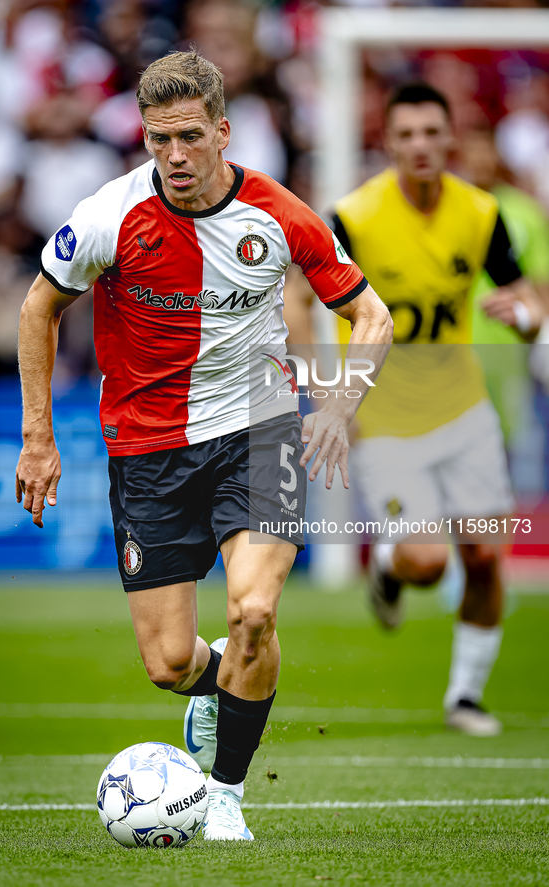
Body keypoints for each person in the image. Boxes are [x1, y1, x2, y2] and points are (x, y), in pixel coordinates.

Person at [15, 51, 392, 840]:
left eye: (189, 137)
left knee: (255, 610)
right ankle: (230, 679)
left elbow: (372, 317)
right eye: (158, 140)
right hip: (147, 449)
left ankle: (224, 795)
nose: (175, 157)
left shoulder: (279, 214)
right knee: (170, 664)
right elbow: (36, 310)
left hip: (259, 431)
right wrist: (38, 438)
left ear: (222, 131)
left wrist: (335, 403)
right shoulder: (108, 215)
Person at [284, 82, 544, 738]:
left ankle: (464, 695)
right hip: (383, 418)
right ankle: (388, 572)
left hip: (462, 408)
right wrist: (324, 392)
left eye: (431, 132)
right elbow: (295, 299)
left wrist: (524, 317)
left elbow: (524, 300)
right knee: (427, 560)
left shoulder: (479, 214)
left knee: (484, 556)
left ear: (449, 136)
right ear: (387, 143)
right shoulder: (354, 217)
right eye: (405, 135)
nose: (420, 146)